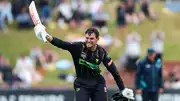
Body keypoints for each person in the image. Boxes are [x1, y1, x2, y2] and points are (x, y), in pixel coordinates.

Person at [33, 24, 134, 101]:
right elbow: (61, 44)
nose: (88, 41)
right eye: (87, 38)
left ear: (97, 39)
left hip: (98, 83)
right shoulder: (78, 47)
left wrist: (122, 89)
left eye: (91, 39)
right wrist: (46, 36)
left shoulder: (102, 53)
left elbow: (114, 71)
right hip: (81, 83)